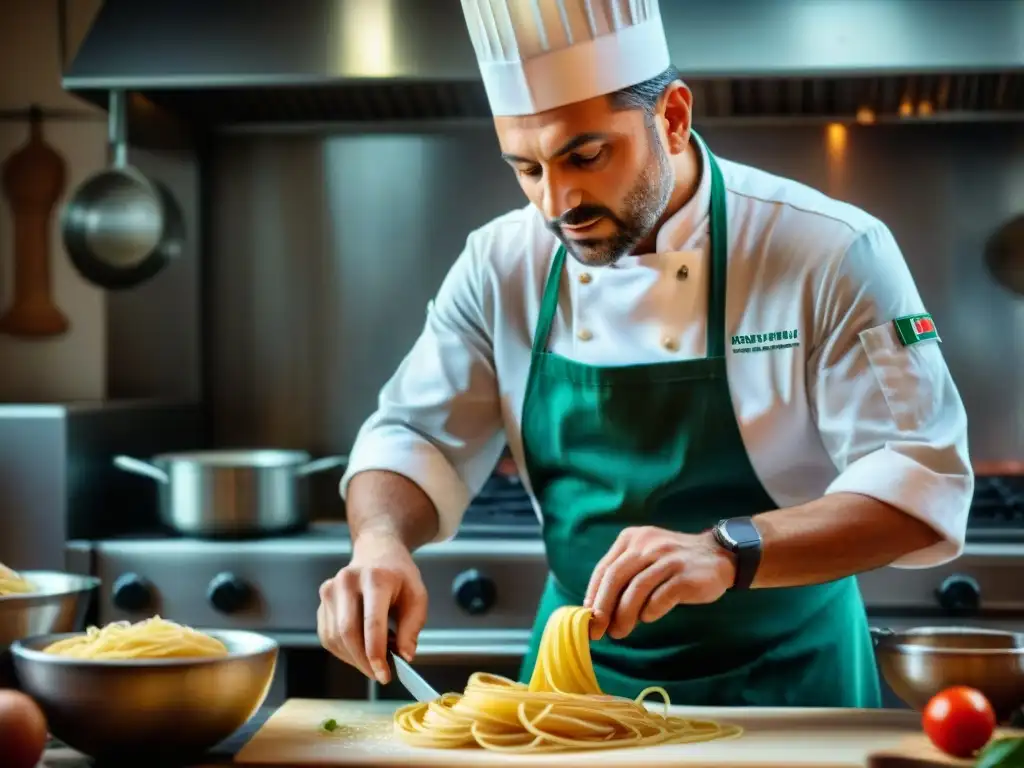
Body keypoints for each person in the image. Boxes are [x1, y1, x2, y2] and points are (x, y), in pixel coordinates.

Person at [317, 0, 972, 708]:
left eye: (586, 156)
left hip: (789, 681)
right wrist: (380, 541)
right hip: (574, 690)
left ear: (673, 117)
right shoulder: (501, 261)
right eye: (527, 169)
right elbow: (414, 437)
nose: (556, 202)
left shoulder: (830, 251)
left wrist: (725, 551)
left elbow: (920, 481)